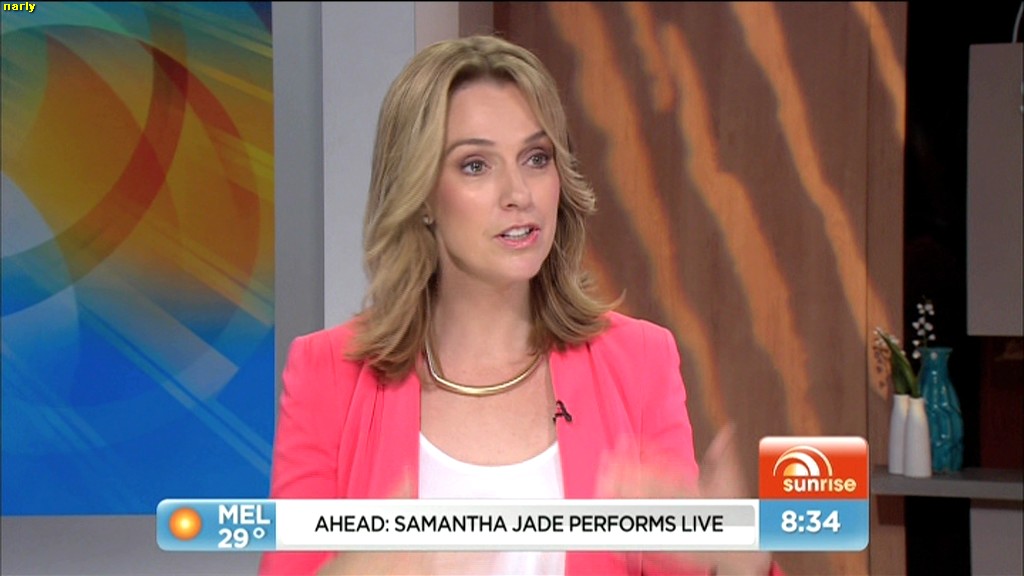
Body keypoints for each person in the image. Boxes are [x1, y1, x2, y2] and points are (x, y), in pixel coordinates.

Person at [259, 34, 776, 576]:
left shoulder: (639, 360)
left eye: (535, 158)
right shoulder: (329, 374)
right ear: (422, 194)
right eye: (475, 165)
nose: (519, 193)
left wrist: (738, 559)